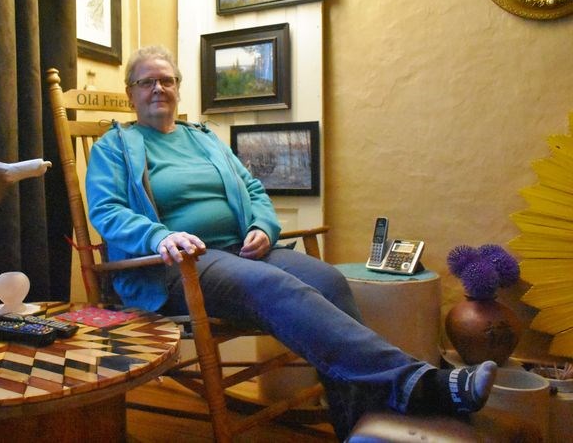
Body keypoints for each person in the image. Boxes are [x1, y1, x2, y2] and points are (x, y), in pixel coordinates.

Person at [85, 45, 497, 438]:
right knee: (269, 285)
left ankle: (355, 426)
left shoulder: (204, 137)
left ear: (178, 87)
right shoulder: (116, 147)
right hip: (179, 266)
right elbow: (105, 211)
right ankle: (414, 382)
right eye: (146, 83)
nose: (158, 89)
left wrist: (264, 227)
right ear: (130, 94)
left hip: (242, 249)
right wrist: (161, 235)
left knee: (329, 280)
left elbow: (253, 188)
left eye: (166, 80)